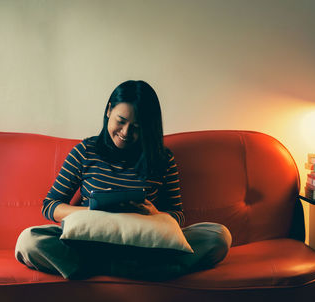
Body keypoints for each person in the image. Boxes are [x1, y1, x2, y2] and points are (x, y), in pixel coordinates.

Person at [15, 80, 231, 280]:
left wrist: (154, 214)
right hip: (89, 244)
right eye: (121, 121)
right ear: (109, 111)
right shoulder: (85, 151)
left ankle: (97, 269)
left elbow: (178, 215)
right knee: (30, 241)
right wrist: (92, 212)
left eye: (137, 127)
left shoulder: (162, 159)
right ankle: (142, 272)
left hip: (144, 246)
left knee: (217, 236)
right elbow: (50, 205)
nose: (126, 132)